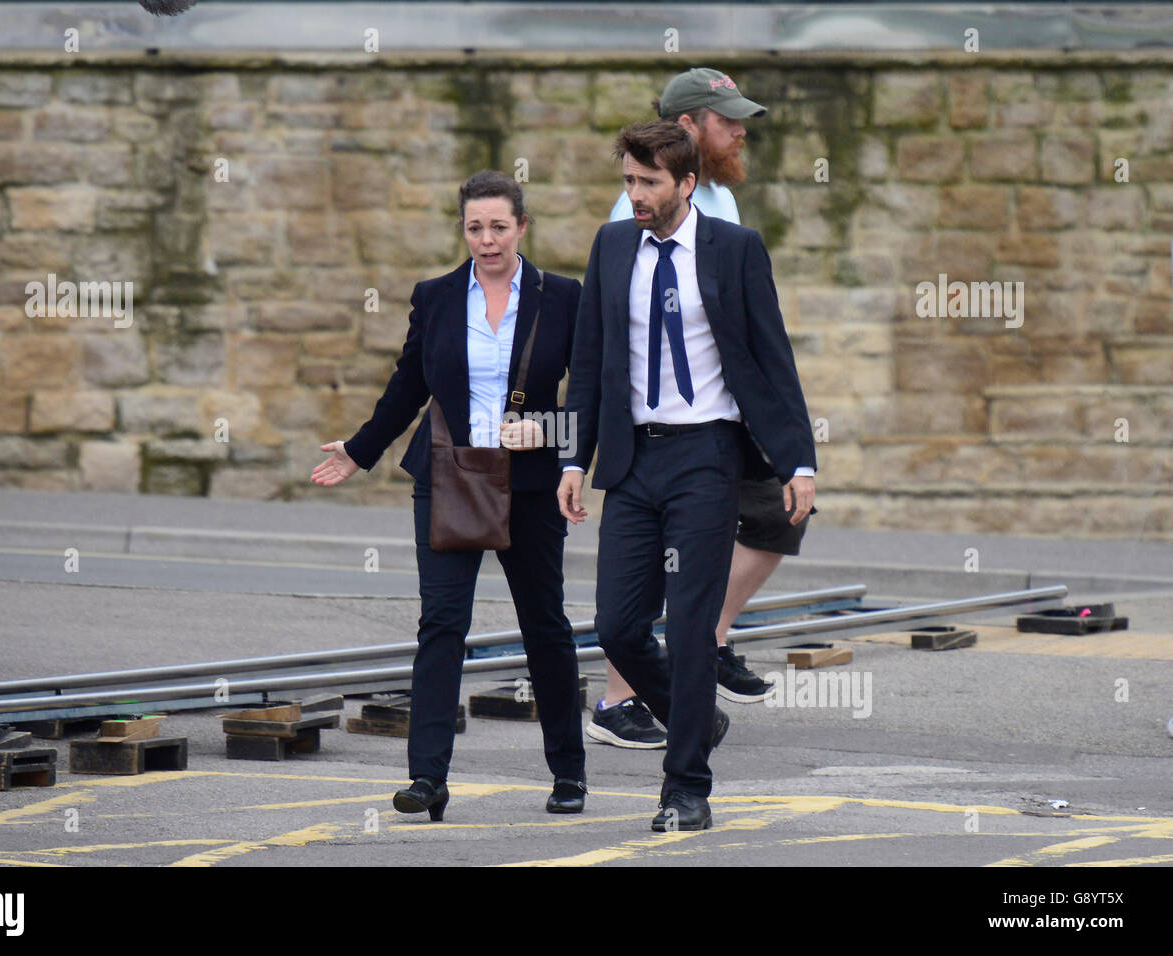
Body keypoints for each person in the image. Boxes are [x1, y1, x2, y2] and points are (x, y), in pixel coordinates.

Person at [558, 121, 816, 831]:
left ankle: (685, 787)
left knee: (693, 626)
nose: (634, 195)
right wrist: (575, 458)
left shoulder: (734, 250)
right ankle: (694, 717)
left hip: (707, 457)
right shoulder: (612, 247)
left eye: (648, 183)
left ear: (686, 184)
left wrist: (799, 461)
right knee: (616, 625)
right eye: (628, 181)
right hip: (633, 461)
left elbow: (773, 360)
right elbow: (588, 363)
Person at [312, 171, 587, 820]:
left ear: (522, 228)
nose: (486, 240)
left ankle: (569, 775)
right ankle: (426, 779)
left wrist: (548, 432)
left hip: (530, 485)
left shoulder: (564, 299)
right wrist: (359, 449)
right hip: (449, 478)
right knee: (441, 625)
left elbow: (595, 399)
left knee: (544, 627)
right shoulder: (435, 297)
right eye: (474, 227)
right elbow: (408, 383)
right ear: (462, 230)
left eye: (498, 226)